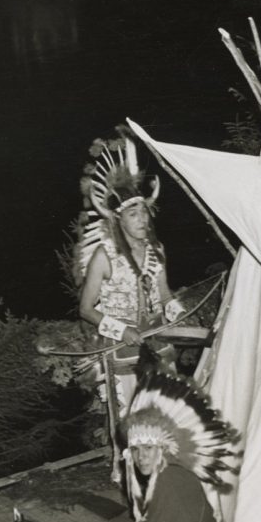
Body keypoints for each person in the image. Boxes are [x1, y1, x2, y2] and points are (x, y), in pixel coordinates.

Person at [53, 369, 239, 522]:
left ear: (163, 448)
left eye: (148, 449)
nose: (141, 457)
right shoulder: (166, 471)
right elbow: (151, 521)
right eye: (136, 450)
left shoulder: (170, 481)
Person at [74, 128, 185, 416]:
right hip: (122, 349)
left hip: (158, 341)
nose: (142, 220)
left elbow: (164, 295)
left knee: (169, 415)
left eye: (144, 212)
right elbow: (86, 309)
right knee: (135, 420)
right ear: (118, 220)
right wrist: (121, 330)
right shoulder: (104, 256)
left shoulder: (157, 250)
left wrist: (178, 313)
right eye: (133, 214)